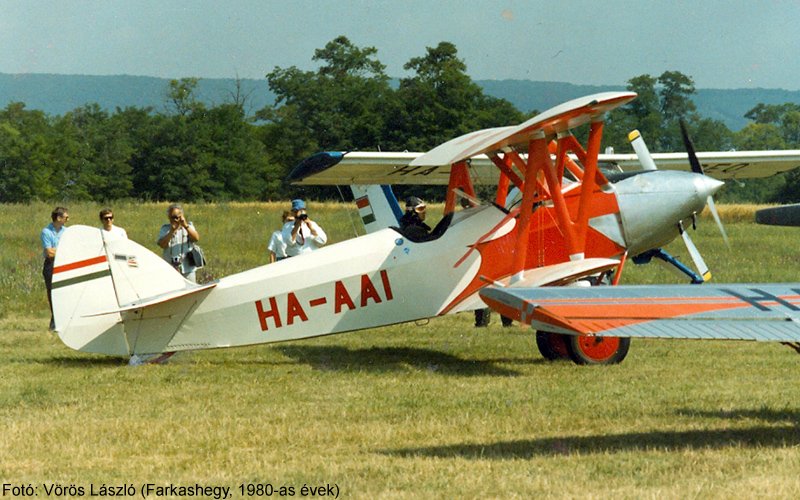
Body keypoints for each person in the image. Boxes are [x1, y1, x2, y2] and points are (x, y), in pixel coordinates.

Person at [157, 204, 201, 282]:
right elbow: (162, 245)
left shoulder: (189, 226)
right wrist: (172, 231)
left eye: (177, 216)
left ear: (182, 216)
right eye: (172, 217)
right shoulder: (165, 229)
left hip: (187, 267)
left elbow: (196, 238)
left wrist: (185, 225)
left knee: (190, 290)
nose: (175, 219)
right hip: (170, 267)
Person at [41, 206, 69, 330]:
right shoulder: (46, 232)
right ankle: (55, 322)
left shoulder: (67, 231)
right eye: (65, 217)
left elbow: (71, 249)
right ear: (58, 218)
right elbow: (49, 253)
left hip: (64, 263)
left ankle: (64, 320)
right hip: (51, 264)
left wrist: (58, 251)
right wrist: (63, 251)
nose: (68, 219)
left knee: (65, 292)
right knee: (52, 293)